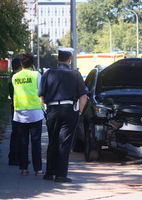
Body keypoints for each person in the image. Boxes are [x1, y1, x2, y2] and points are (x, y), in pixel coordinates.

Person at [39, 48, 87, 183]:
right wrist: (80, 112)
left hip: (52, 110)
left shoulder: (48, 73)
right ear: (69, 60)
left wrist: (46, 110)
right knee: (64, 143)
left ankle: (49, 173)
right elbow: (83, 96)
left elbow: (41, 96)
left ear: (57, 59)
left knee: (53, 141)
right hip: (68, 110)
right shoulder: (75, 74)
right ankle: (61, 175)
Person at [12, 53, 44, 175]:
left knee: (22, 142)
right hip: (35, 112)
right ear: (32, 63)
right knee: (36, 142)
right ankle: (38, 169)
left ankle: (23, 168)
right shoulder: (36, 75)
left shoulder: (15, 77)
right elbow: (41, 92)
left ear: (21, 63)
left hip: (20, 113)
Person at [8, 57, 22, 166]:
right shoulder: (16, 77)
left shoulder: (12, 77)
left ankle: (14, 157)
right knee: (17, 133)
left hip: (14, 107)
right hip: (18, 108)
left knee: (16, 133)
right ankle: (14, 157)